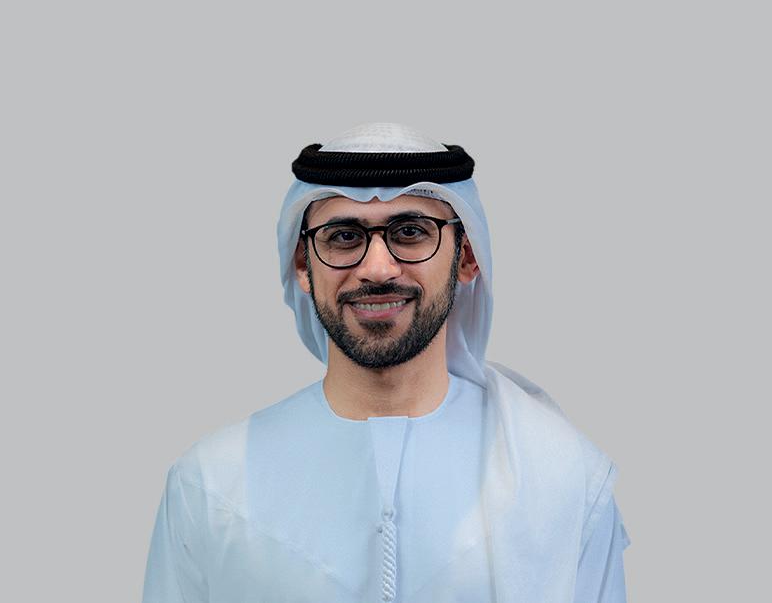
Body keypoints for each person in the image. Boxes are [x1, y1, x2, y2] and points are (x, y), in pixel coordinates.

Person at [141, 122, 631, 603]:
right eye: (343, 236)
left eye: (411, 232)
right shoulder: (210, 484)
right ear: (302, 264)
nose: (377, 269)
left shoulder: (562, 478)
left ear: (467, 258)